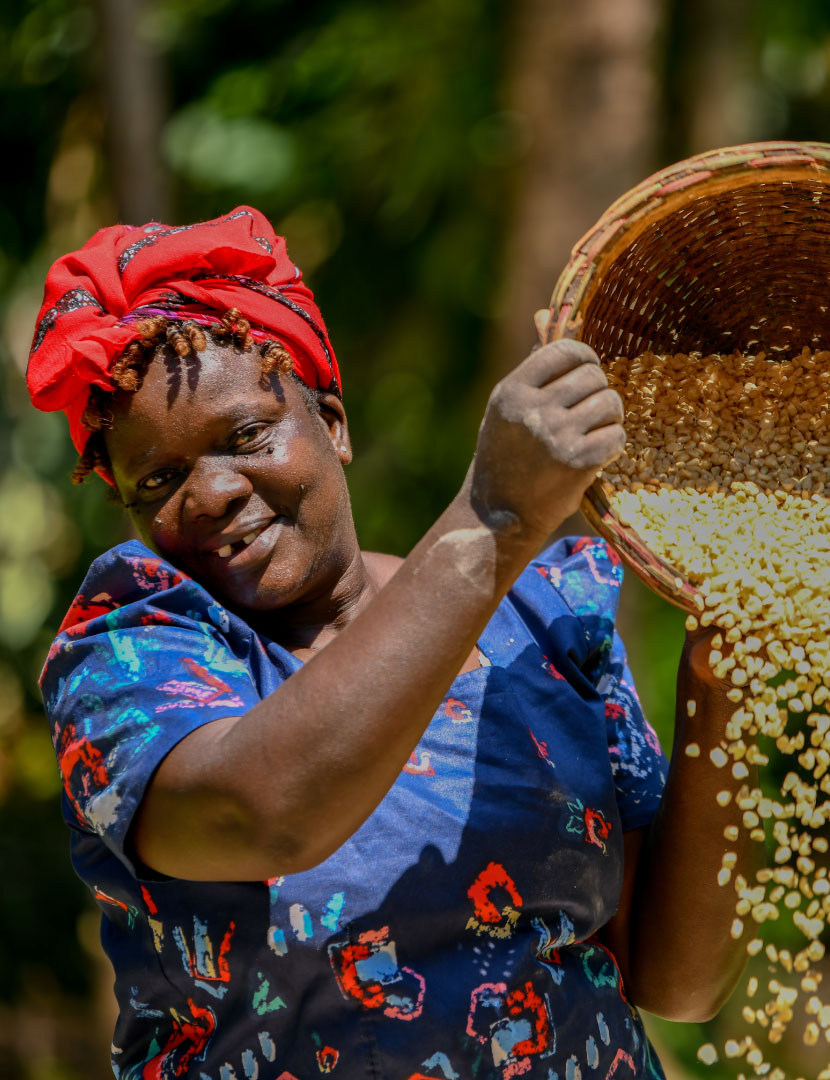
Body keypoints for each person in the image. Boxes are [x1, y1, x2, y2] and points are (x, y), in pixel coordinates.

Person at [28, 207, 752, 1080]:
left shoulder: (544, 620)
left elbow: (680, 981)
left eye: (246, 437)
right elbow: (262, 815)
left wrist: (719, 683)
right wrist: (494, 516)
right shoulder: (132, 653)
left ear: (332, 423)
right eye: (158, 479)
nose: (211, 492)